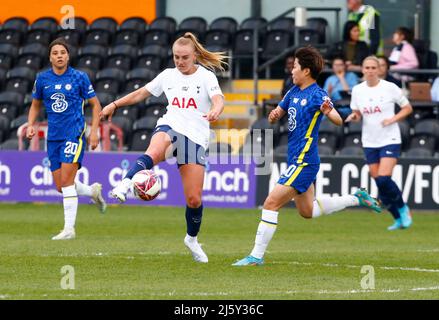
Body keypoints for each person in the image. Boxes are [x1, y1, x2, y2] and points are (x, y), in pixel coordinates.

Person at [232, 46, 381, 266]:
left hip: (305, 160)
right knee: (307, 211)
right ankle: (356, 198)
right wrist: (273, 115)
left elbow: (338, 120)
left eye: (295, 67)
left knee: (271, 203)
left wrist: (328, 110)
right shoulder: (293, 91)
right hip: (296, 159)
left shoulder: (318, 95)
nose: (291, 71)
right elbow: (278, 114)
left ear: (307, 71)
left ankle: (256, 256)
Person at [99, 32, 227, 263]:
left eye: (184, 57)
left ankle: (191, 239)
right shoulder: (168, 75)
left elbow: (218, 98)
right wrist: (114, 104)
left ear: (195, 55)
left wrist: (216, 110)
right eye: (176, 57)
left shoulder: (206, 77)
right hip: (171, 125)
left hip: (196, 137)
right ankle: (125, 184)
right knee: (154, 151)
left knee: (194, 200)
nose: (179, 61)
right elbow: (141, 93)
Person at [26, 38, 107, 240]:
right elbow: (35, 105)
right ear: (50, 57)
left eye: (63, 52)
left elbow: (96, 105)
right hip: (53, 137)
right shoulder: (42, 79)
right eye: (55, 53)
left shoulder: (79, 77)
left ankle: (69, 229)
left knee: (67, 181)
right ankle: (92, 192)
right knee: (61, 186)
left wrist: (95, 132)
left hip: (74, 132)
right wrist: (30, 124)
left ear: (68, 56)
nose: (59, 56)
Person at [346, 56, 413, 231]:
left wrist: (393, 119)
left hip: (389, 139)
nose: (369, 71)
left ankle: (403, 208)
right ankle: (398, 219)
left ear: (379, 70)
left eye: (373, 68)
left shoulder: (390, 88)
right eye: (366, 67)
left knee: (384, 178)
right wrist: (354, 116)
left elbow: (407, 108)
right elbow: (357, 112)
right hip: (369, 141)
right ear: (362, 69)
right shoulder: (358, 90)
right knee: (381, 184)